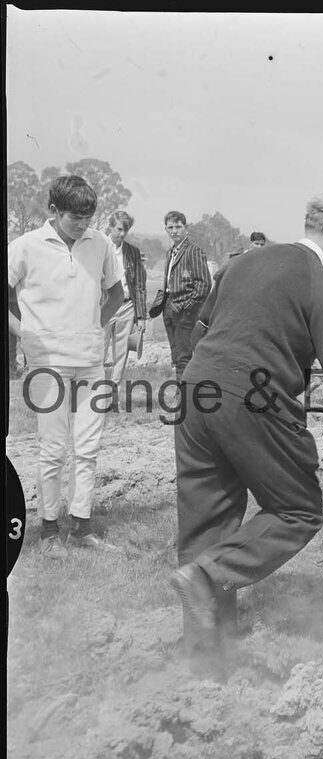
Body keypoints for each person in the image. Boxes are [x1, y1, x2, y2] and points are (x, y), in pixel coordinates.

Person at [171, 193, 323, 667]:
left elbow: (200, 327)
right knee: (297, 510)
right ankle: (211, 573)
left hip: (196, 391)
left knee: (207, 524)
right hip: (252, 398)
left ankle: (207, 661)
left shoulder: (244, 261)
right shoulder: (320, 283)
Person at [7, 175, 125, 556]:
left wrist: (94, 328)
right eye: (75, 217)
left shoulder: (101, 243)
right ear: (53, 211)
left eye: (88, 217)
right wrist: (24, 333)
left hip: (91, 361)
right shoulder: (25, 246)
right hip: (48, 364)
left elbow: (117, 292)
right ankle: (48, 533)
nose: (82, 224)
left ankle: (82, 528)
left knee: (88, 447)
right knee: (53, 448)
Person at [159, 211, 211, 380]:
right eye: (170, 227)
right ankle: (179, 389)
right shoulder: (170, 252)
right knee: (176, 354)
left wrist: (186, 306)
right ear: (166, 229)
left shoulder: (193, 251)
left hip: (184, 310)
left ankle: (184, 395)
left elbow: (204, 284)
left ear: (186, 228)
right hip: (168, 306)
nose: (174, 231)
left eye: (178, 227)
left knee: (184, 356)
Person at [103, 210, 148, 389]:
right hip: (104, 305)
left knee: (121, 353)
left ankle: (113, 394)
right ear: (110, 227)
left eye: (126, 230)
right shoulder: (99, 248)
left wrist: (142, 316)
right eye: (119, 229)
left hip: (126, 306)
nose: (122, 234)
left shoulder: (132, 252)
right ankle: (95, 394)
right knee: (99, 350)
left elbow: (140, 284)